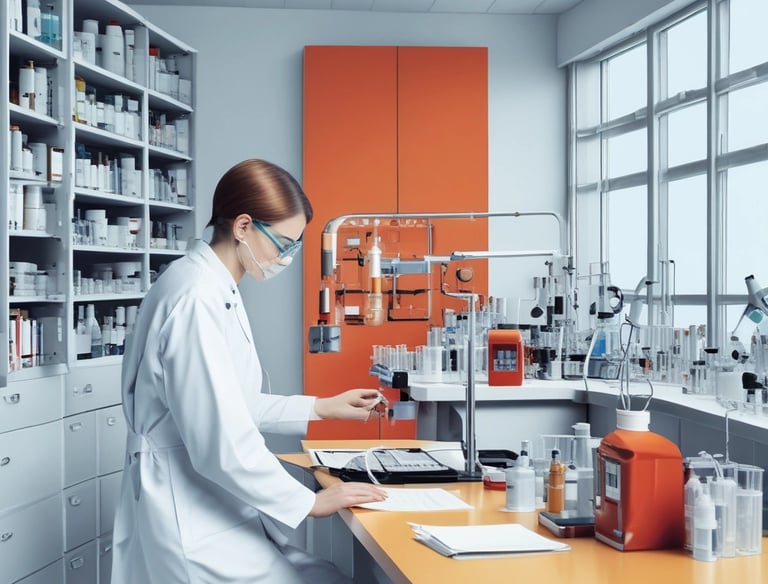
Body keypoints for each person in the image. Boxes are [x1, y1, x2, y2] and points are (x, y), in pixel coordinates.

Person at [111, 159, 388, 584]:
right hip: (186, 506)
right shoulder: (195, 298)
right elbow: (219, 440)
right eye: (284, 243)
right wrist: (309, 502)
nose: (287, 257)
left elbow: (231, 404)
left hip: (207, 495)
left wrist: (323, 407)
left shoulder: (218, 286)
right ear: (242, 226)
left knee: (324, 575)